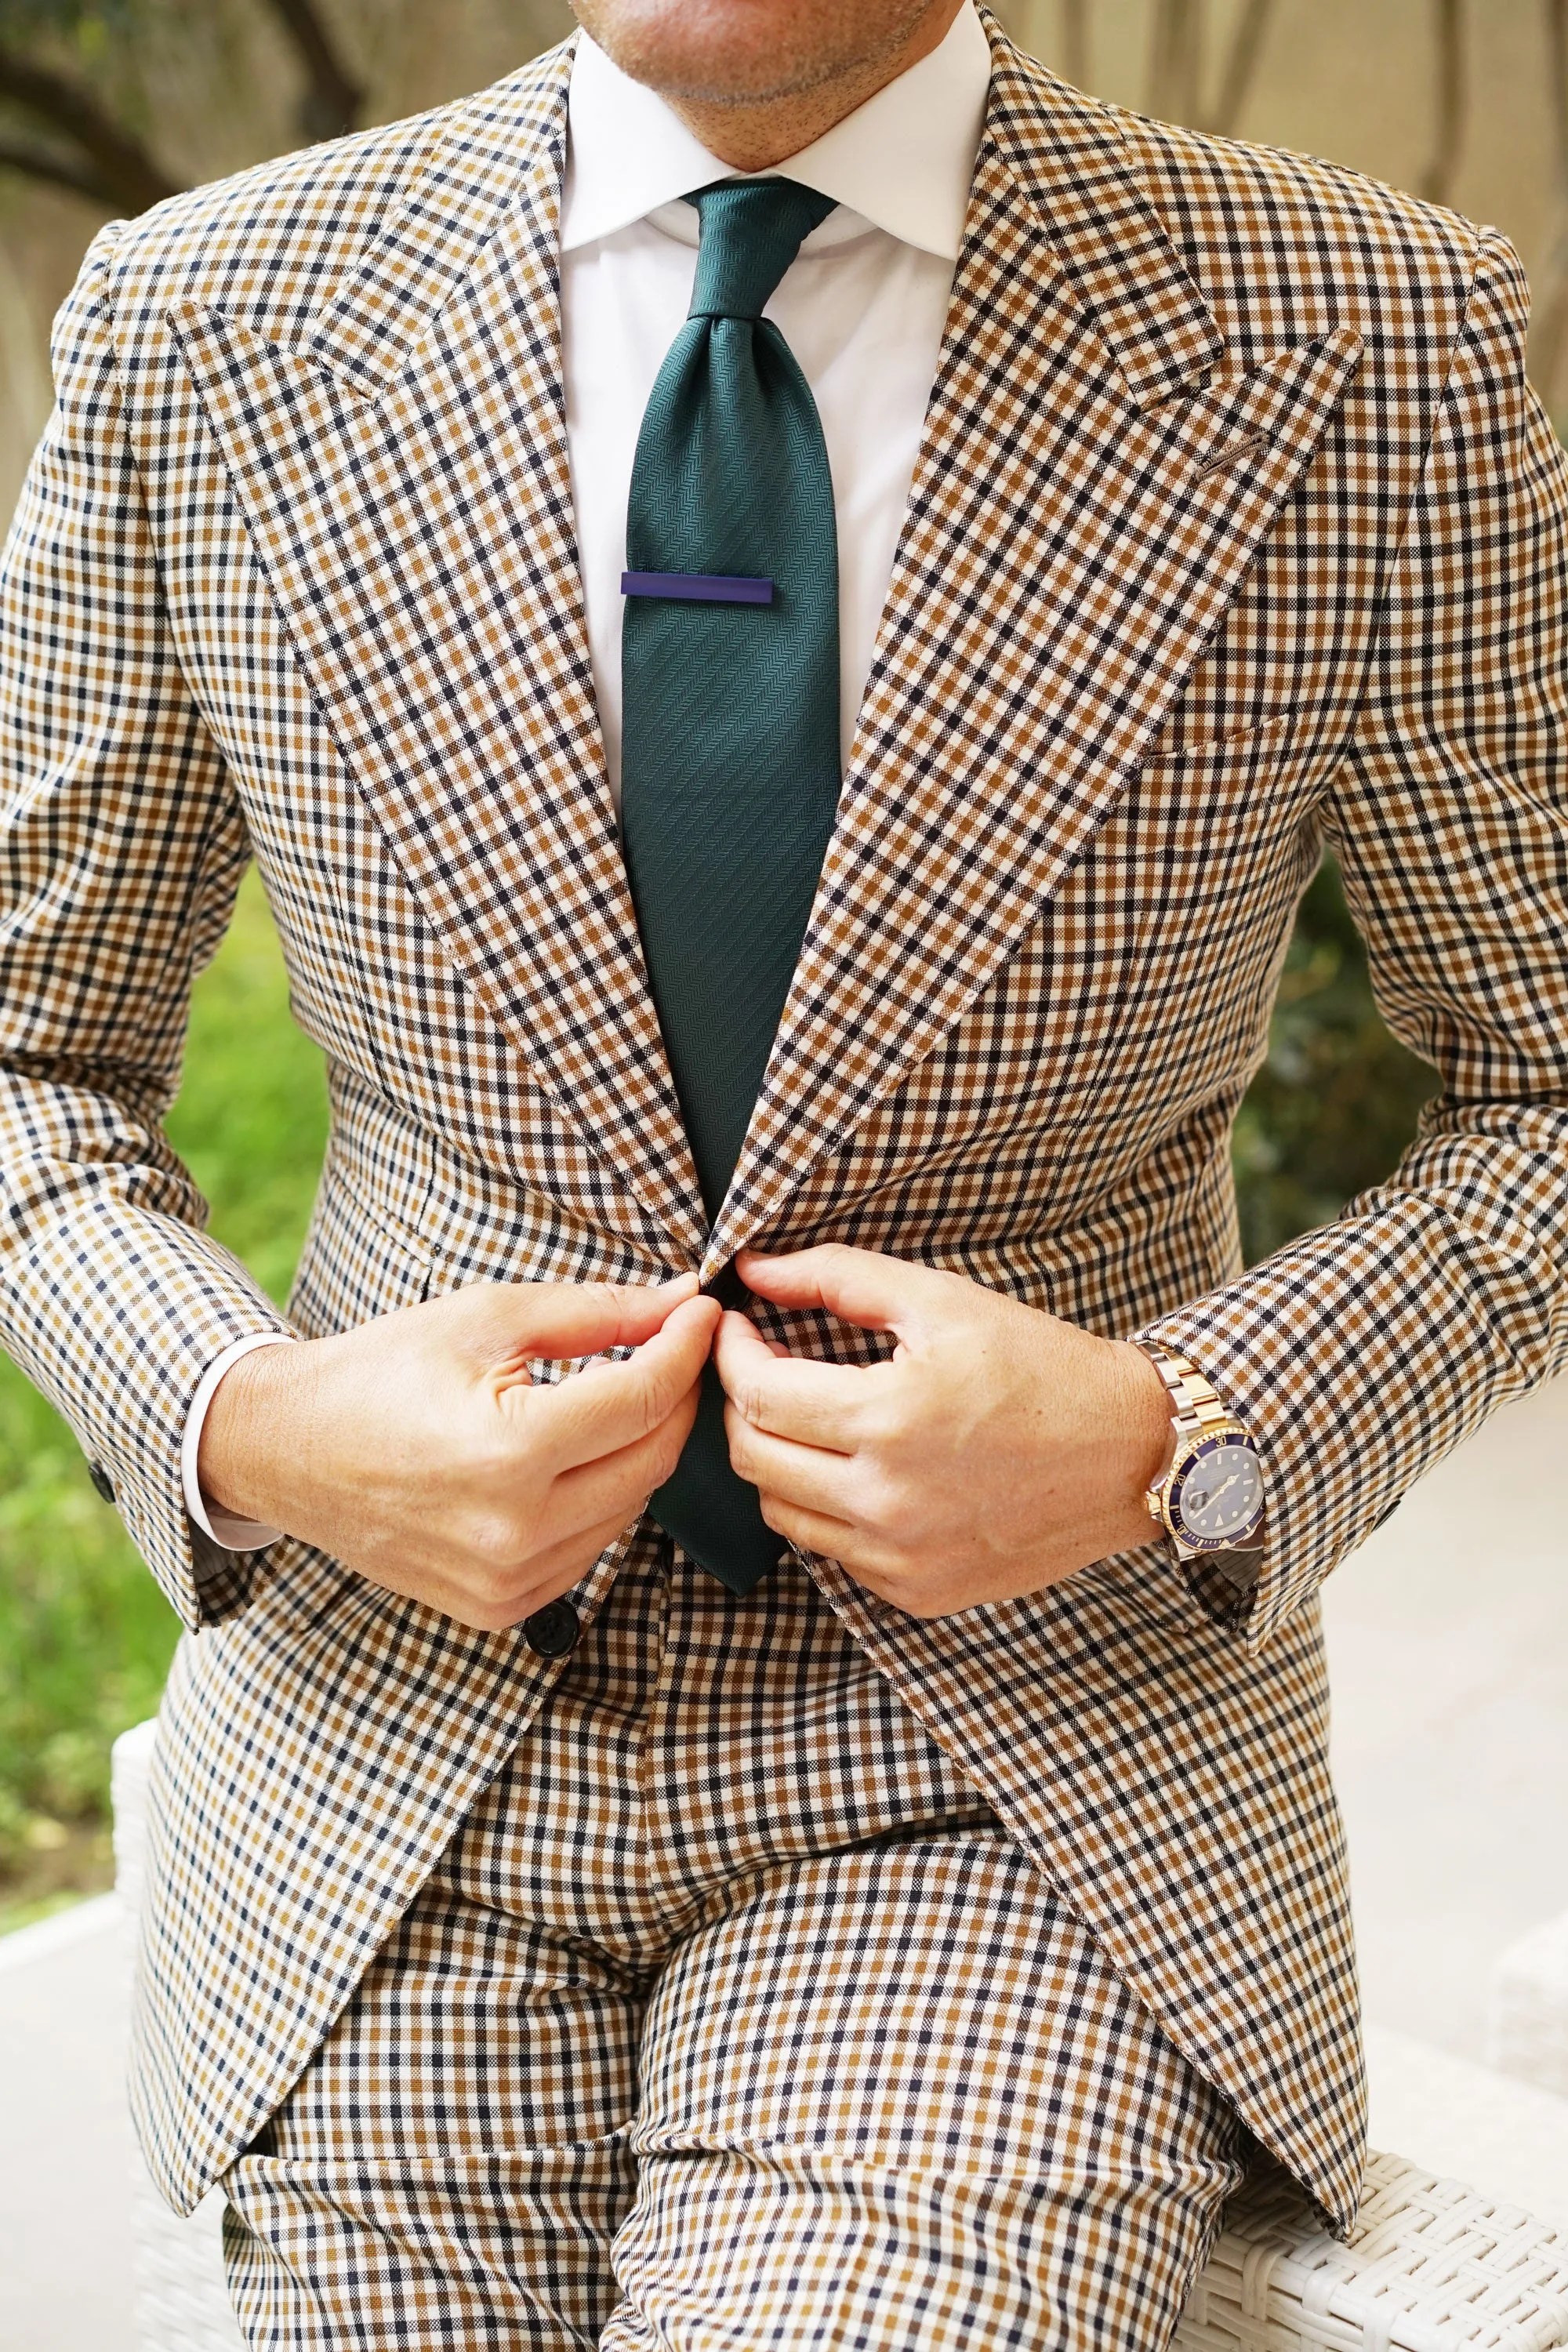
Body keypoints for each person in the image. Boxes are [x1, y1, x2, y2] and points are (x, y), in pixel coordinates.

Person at [2, 0, 1566, 2340]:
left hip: (1018, 1770)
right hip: (388, 1744)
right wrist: (257, 1426)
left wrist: (1182, 1437)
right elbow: (31, 1050)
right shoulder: (202, 314)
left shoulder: (1369, 333)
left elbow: (1546, 1085)